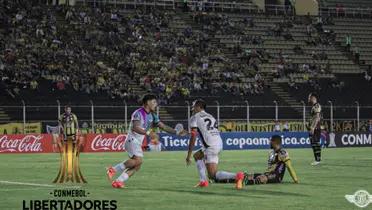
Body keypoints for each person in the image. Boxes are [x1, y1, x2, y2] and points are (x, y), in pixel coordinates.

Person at [106, 94, 188, 188]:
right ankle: (113, 170)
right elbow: (135, 127)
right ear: (147, 102)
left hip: (137, 141)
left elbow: (163, 126)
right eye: (154, 102)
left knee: (137, 166)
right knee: (138, 161)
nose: (156, 104)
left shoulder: (153, 115)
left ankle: (118, 181)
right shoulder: (138, 113)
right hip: (132, 140)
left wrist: (176, 132)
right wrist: (149, 133)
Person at [185, 99, 245, 189]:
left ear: (198, 107)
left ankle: (237, 176)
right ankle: (203, 181)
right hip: (218, 143)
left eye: (194, 106)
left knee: (213, 175)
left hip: (210, 147)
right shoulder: (211, 116)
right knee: (197, 155)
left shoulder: (194, 117)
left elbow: (194, 136)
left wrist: (188, 155)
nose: (192, 108)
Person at [308, 93, 322, 166]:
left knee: (316, 143)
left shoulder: (317, 105)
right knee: (313, 144)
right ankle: (317, 159)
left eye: (309, 97)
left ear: (313, 97)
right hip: (313, 127)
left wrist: (313, 127)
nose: (308, 98)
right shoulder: (313, 106)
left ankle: (318, 160)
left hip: (316, 128)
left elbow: (317, 117)